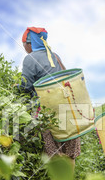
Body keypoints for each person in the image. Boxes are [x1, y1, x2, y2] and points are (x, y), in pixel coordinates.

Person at [20, 27, 81, 162]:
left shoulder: (29, 59)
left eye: (24, 44)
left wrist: (16, 88)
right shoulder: (55, 56)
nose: (24, 47)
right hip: (67, 109)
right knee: (70, 153)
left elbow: (25, 87)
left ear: (30, 44)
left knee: (53, 153)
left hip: (47, 112)